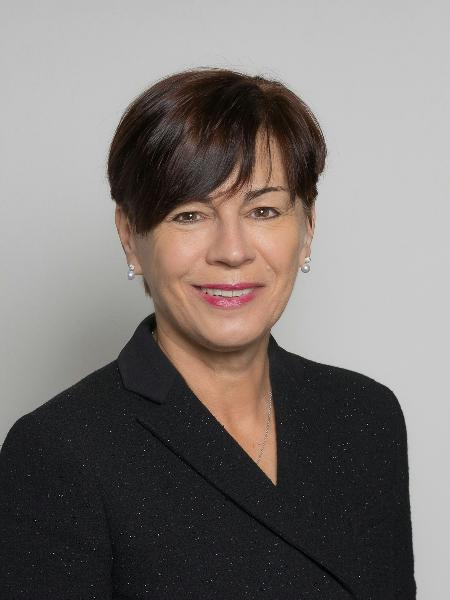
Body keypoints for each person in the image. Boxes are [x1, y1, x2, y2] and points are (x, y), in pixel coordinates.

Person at [0, 67, 416, 599]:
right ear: (130, 236)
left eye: (263, 210)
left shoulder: (365, 418)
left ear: (308, 226)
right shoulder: (60, 452)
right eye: (190, 215)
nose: (232, 250)